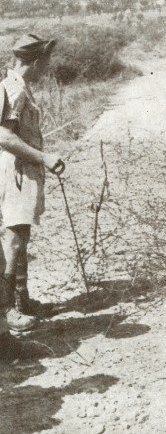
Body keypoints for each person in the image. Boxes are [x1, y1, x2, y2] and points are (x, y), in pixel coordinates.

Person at [0, 34, 65, 333]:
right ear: (36, 61)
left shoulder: (21, 87)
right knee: (13, 240)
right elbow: (4, 137)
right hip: (15, 171)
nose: (48, 67)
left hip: (24, 170)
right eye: (47, 61)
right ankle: (8, 310)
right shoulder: (14, 90)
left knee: (21, 235)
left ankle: (21, 299)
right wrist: (44, 157)